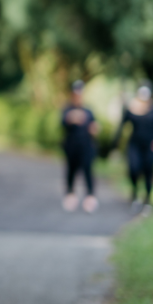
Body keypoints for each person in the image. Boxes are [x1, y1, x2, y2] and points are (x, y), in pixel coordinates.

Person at [112, 83, 153, 214]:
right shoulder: (132, 109)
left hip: (150, 146)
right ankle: (135, 193)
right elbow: (122, 126)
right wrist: (114, 144)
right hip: (134, 144)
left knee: (148, 171)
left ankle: (148, 199)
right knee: (134, 168)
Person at [60, 80, 100, 213]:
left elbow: (94, 126)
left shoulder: (88, 110)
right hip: (71, 147)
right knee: (71, 171)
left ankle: (90, 197)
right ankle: (70, 195)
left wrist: (94, 129)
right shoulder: (67, 109)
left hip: (86, 147)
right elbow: (63, 123)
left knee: (88, 171)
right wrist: (72, 118)